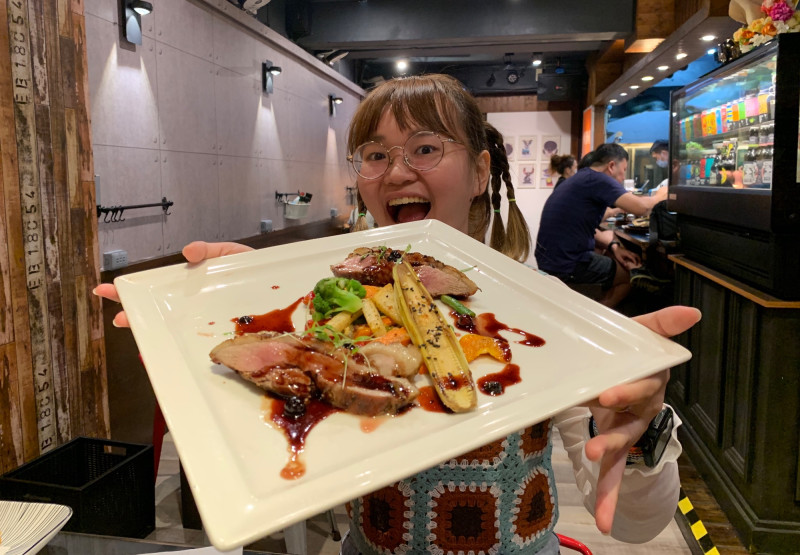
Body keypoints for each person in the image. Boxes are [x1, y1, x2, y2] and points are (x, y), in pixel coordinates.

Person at [95, 75, 700, 554]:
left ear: (481, 172)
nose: (397, 171)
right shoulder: (329, 310)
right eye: (375, 154)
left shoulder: (540, 310)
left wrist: (636, 429)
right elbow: (276, 467)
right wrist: (236, 317)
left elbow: (634, 525)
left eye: (426, 148)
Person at [535, 143, 668, 308]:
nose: (623, 177)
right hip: (567, 264)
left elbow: (581, 226)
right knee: (630, 276)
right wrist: (662, 194)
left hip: (549, 259)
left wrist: (614, 247)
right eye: (623, 170)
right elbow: (643, 208)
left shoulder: (580, 178)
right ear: (611, 166)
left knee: (611, 256)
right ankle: (594, 318)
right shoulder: (598, 179)